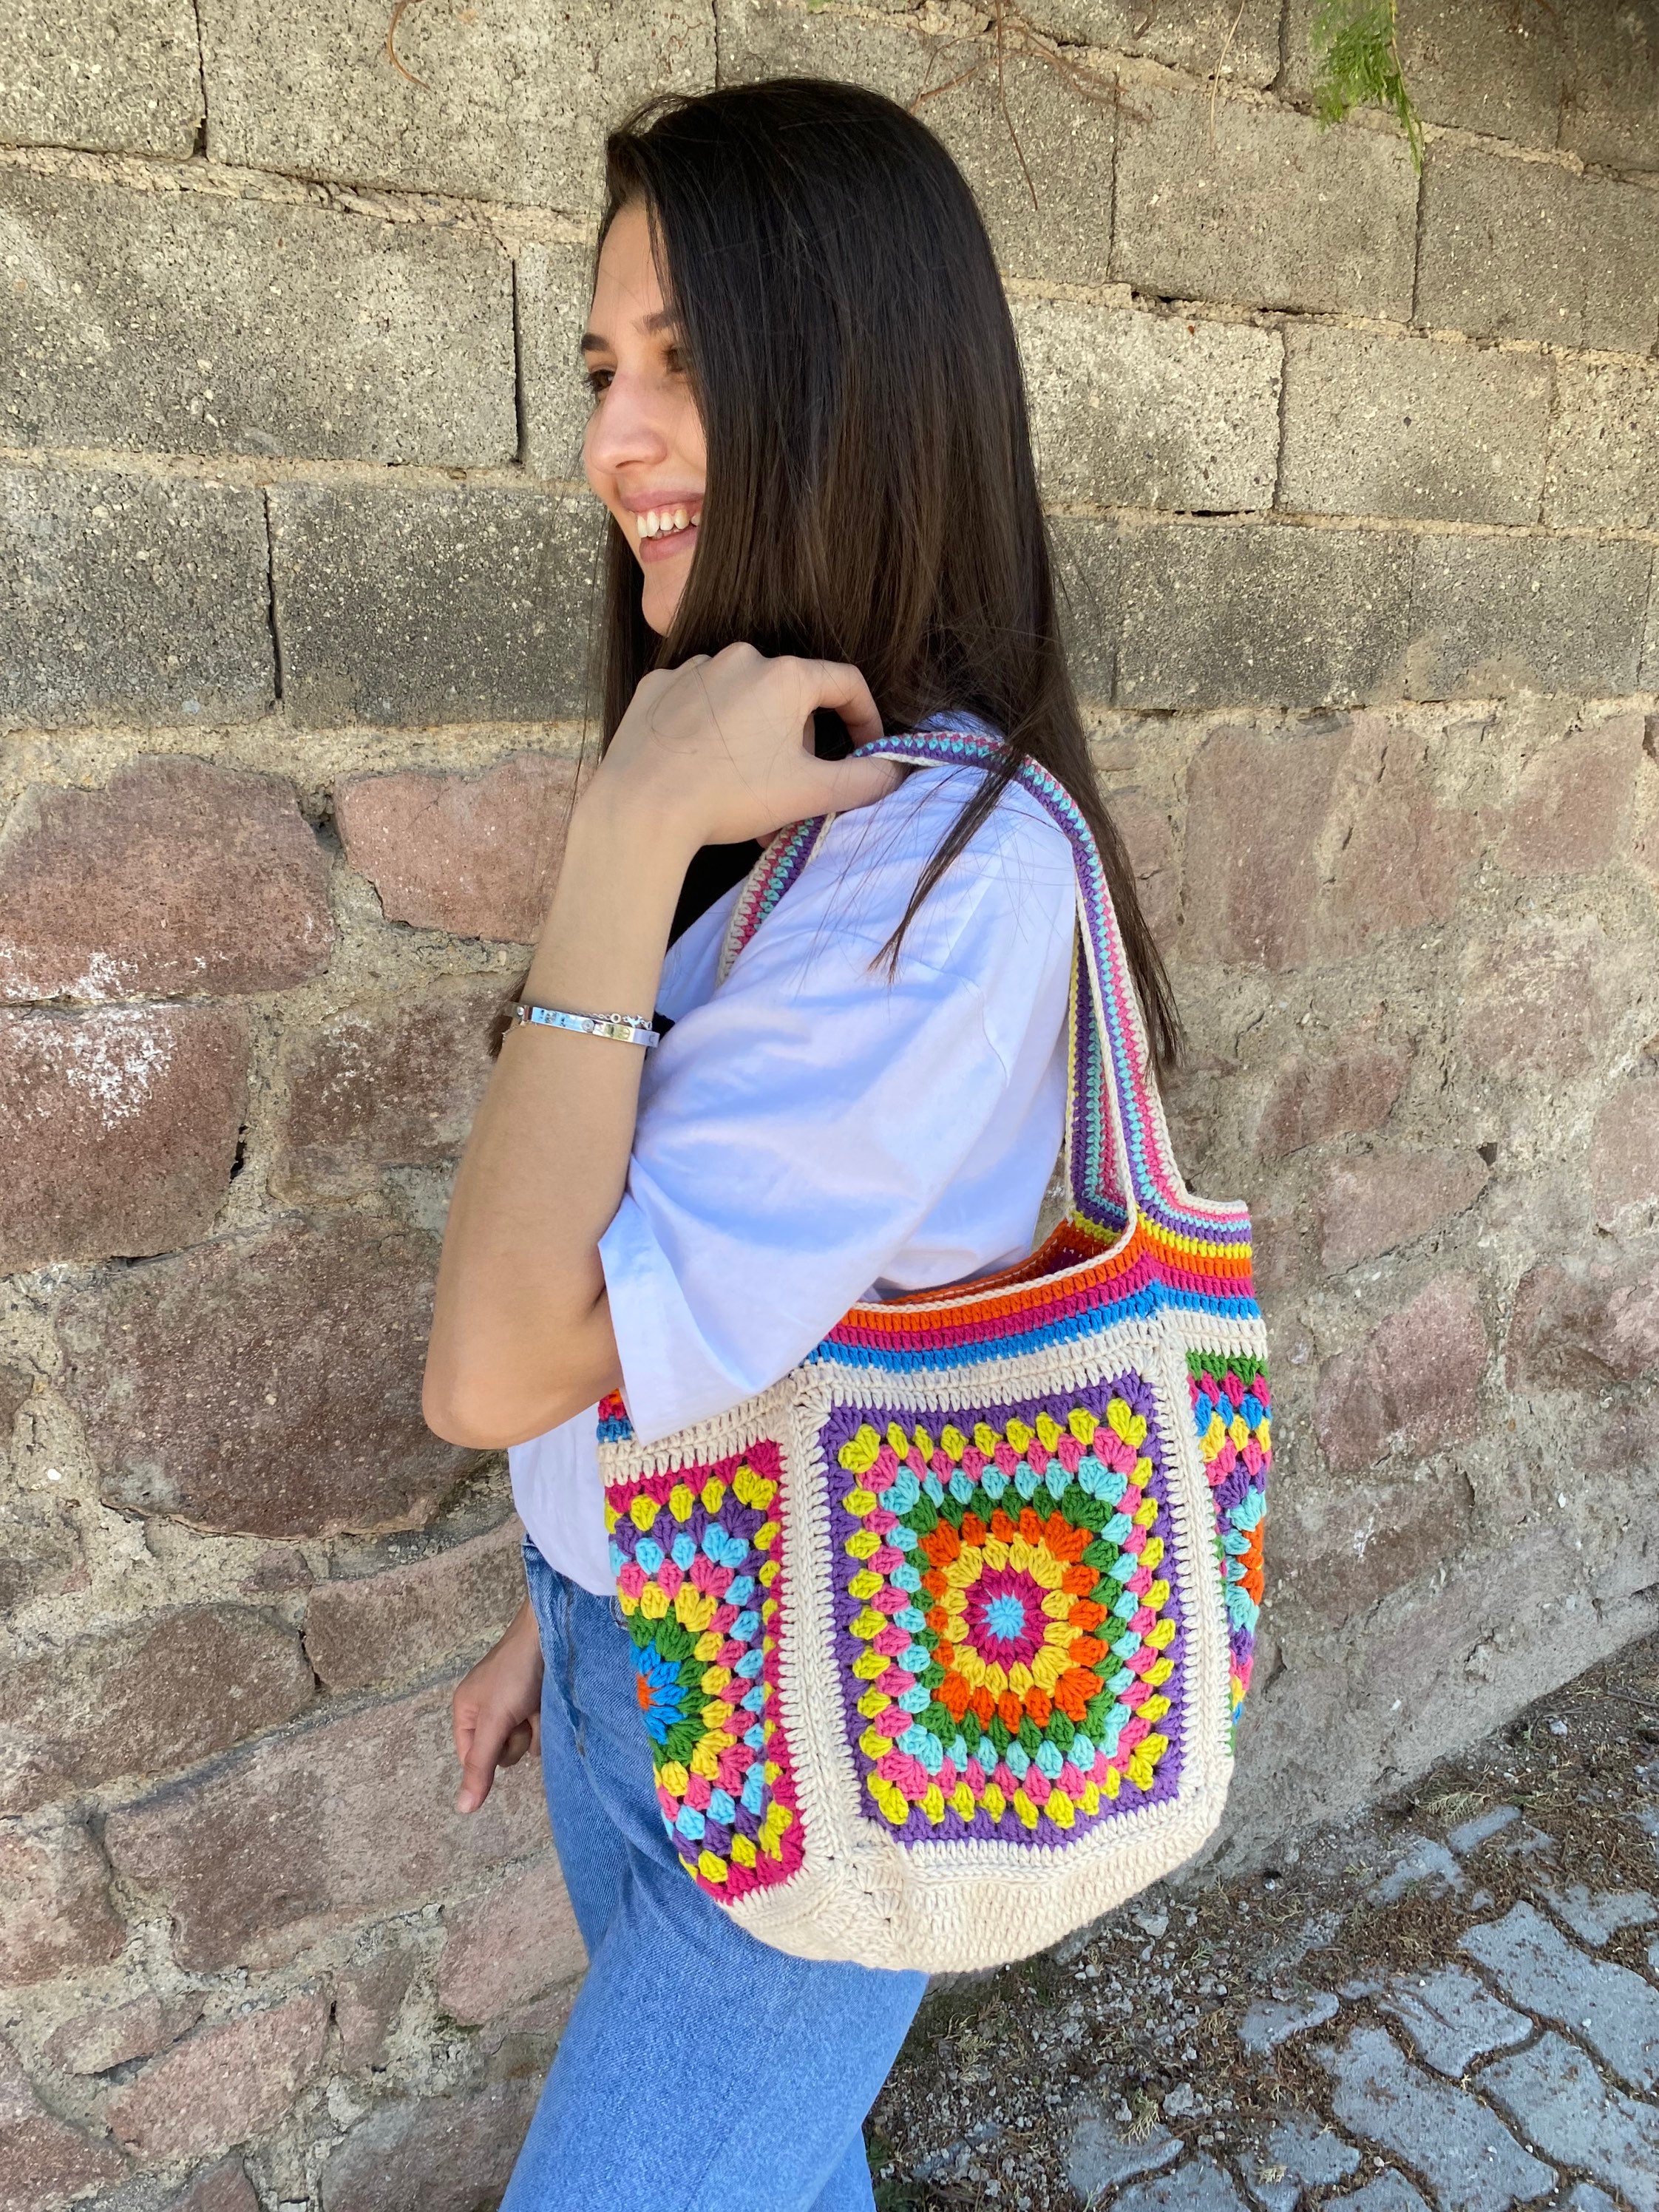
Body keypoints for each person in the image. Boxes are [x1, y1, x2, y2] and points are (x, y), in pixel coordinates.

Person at [421, 75, 1178, 2212]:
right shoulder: (781, 802)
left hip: (826, 1715)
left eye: (679, 366)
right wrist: (545, 1598)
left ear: (850, 386)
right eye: (597, 369)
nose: (610, 442)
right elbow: (667, 1301)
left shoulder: (938, 867)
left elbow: (492, 1358)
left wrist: (620, 829)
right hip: (632, 1652)